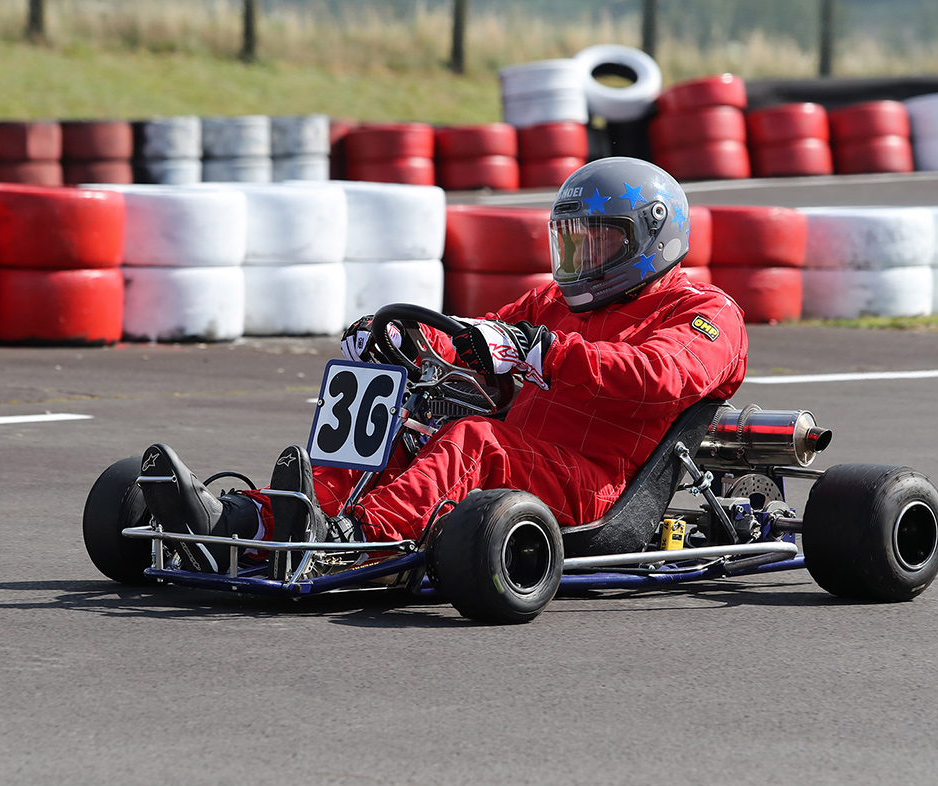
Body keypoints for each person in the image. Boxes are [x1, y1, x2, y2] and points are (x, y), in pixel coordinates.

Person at [138, 156, 748, 575]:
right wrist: (401, 336)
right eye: (572, 240)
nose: (581, 258)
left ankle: (353, 542)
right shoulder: (551, 302)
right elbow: (477, 338)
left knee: (473, 442)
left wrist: (542, 354)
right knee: (402, 432)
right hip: (526, 462)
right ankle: (248, 521)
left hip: (598, 486)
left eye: (599, 241)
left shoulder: (704, 313)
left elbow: (657, 373)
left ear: (650, 238)